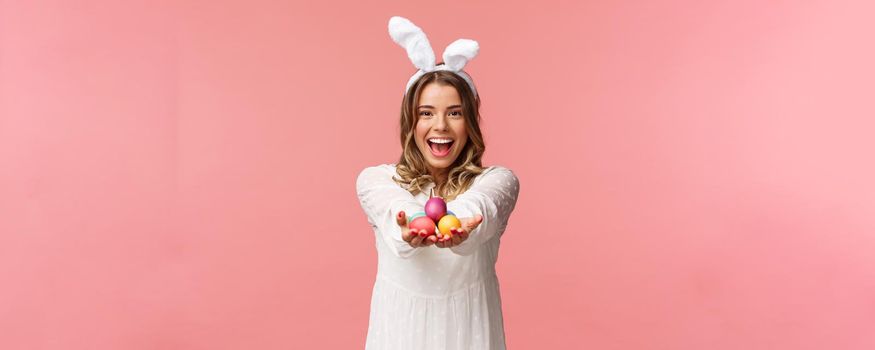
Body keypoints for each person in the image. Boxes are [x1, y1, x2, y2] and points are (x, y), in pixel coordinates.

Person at [354, 16, 521, 350]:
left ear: (470, 122)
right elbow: (394, 206)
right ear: (411, 121)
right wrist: (414, 222)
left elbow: (481, 206)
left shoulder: (499, 180)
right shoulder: (376, 179)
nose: (440, 125)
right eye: (426, 113)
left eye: (455, 113)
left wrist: (456, 225)